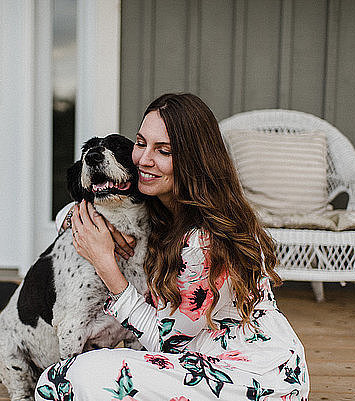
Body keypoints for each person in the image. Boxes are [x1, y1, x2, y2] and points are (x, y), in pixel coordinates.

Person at [35, 93, 309, 401]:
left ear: (194, 161)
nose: (144, 160)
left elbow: (168, 343)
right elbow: (76, 210)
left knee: (66, 380)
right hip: (214, 363)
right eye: (140, 143)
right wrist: (89, 222)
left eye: (163, 151)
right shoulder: (162, 205)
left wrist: (106, 265)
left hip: (247, 378)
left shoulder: (205, 239)